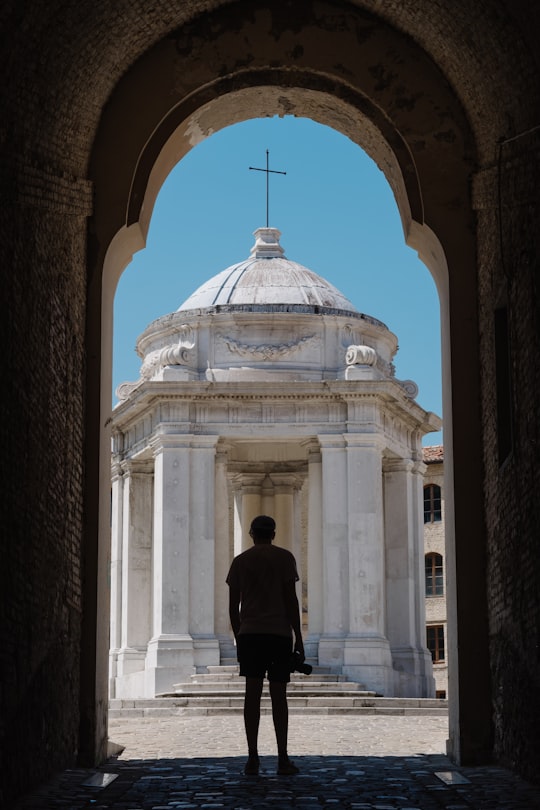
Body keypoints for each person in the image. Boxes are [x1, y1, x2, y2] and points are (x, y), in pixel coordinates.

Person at [226, 514, 305, 776]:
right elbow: (291, 601)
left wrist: (239, 637)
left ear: (251, 534)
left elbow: (233, 608)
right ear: (273, 533)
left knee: (252, 696)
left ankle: (252, 758)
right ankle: (282, 758)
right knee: (279, 697)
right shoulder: (285, 558)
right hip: (279, 634)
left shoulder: (240, 561)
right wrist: (299, 638)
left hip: (251, 635)